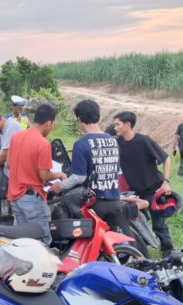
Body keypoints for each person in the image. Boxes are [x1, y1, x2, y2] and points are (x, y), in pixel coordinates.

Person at [52, 100, 143, 253]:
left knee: (89, 247)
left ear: (79, 119)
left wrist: (59, 186)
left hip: (94, 205)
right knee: (112, 245)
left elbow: (79, 177)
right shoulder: (112, 141)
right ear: (98, 117)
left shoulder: (81, 144)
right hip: (114, 201)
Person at [113, 111, 175, 257]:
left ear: (127, 125)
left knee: (159, 225)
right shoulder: (117, 143)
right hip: (135, 193)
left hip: (153, 190)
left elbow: (166, 159)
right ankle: (140, 248)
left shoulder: (144, 141)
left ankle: (169, 252)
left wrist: (166, 182)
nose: (115, 127)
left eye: (117, 124)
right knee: (139, 222)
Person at [6, 103, 67, 245]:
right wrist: (59, 175)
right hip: (32, 199)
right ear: (49, 123)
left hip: (15, 197)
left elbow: (8, 164)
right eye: (52, 125)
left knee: (24, 240)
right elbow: (44, 176)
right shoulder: (43, 143)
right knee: (43, 240)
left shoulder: (16, 137)